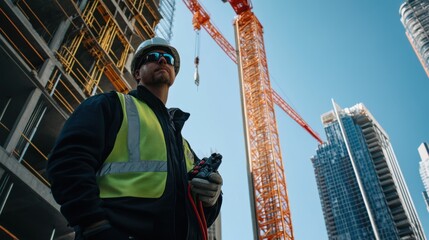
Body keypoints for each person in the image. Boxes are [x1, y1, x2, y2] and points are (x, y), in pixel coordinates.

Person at [47, 37, 223, 240]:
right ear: (137, 73)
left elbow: (196, 213)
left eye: (168, 58)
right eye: (153, 57)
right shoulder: (112, 106)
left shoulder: (183, 145)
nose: (162, 61)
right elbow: (67, 162)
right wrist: (96, 226)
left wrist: (212, 200)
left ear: (174, 75)